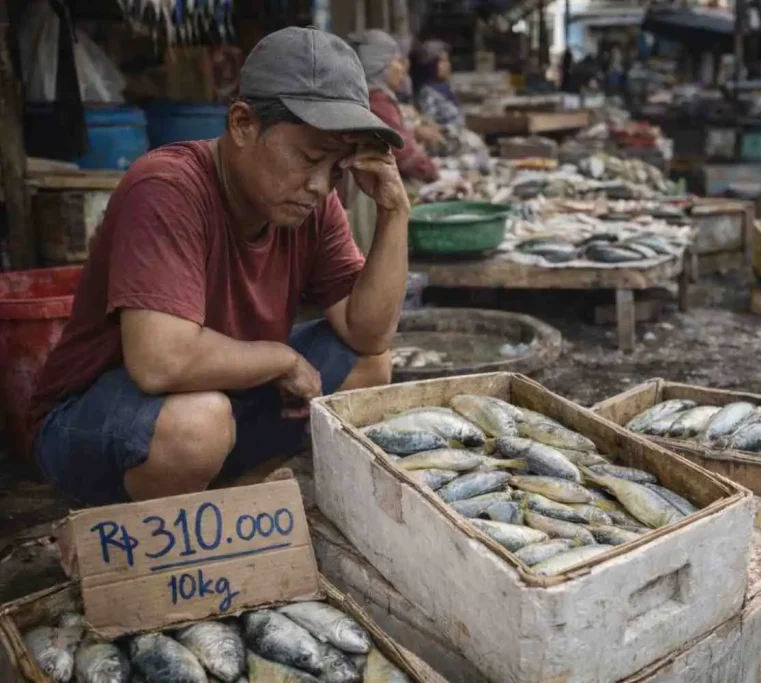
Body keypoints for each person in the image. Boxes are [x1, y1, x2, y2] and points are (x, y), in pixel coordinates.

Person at [29, 27, 410, 506]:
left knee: (369, 364)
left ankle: (235, 491)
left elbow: (369, 335)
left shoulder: (312, 201)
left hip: (223, 397)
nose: (320, 185)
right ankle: (136, 524)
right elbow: (160, 363)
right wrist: (283, 359)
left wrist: (396, 212)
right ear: (243, 124)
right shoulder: (167, 188)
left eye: (336, 168)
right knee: (196, 424)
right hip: (92, 421)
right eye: (309, 158)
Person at [346, 29, 439, 252]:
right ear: (381, 65)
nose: (402, 68)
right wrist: (434, 172)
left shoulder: (371, 97)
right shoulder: (376, 100)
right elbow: (405, 154)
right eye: (396, 61)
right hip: (365, 198)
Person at [411, 40, 464, 127]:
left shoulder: (446, 88)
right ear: (431, 65)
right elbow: (430, 124)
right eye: (442, 61)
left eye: (447, 61)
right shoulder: (426, 93)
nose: (448, 65)